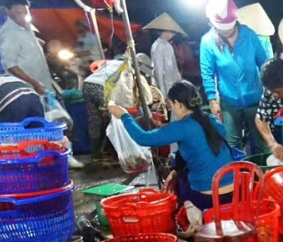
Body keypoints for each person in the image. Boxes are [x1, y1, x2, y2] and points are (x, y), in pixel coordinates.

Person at [109, 81, 233, 209]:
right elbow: (203, 148)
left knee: (177, 193)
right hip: (235, 191)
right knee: (181, 174)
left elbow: (143, 138)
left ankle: (193, 219)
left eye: (171, 104)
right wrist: (176, 172)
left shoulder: (182, 126)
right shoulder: (210, 119)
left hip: (210, 197)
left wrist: (124, 116)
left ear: (178, 104)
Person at [201, 0, 270, 160]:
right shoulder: (208, 41)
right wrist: (212, 99)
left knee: (262, 142)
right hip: (229, 103)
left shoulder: (249, 35)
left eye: (229, 27)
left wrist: (270, 92)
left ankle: (264, 180)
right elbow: (207, 72)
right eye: (222, 28)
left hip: (254, 99)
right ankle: (239, 182)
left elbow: (264, 63)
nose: (227, 30)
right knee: (232, 145)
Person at [82, 55, 159, 161]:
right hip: (103, 87)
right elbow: (125, 92)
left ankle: (96, 154)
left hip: (87, 85)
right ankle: (122, 153)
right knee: (114, 121)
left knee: (95, 120)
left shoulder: (111, 63)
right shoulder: (127, 69)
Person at [0, 0, 52, 97]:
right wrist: (34, 82)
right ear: (7, 11)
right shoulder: (9, 33)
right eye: (18, 13)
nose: (23, 16)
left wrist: (39, 43)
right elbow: (10, 65)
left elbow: (26, 44)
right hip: (29, 89)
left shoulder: (27, 26)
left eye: (26, 12)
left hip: (43, 84)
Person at [144, 13, 185, 96]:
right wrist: (163, 92)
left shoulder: (157, 44)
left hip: (169, 86)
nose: (174, 35)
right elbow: (160, 70)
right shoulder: (163, 46)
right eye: (173, 32)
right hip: (168, 87)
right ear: (168, 31)